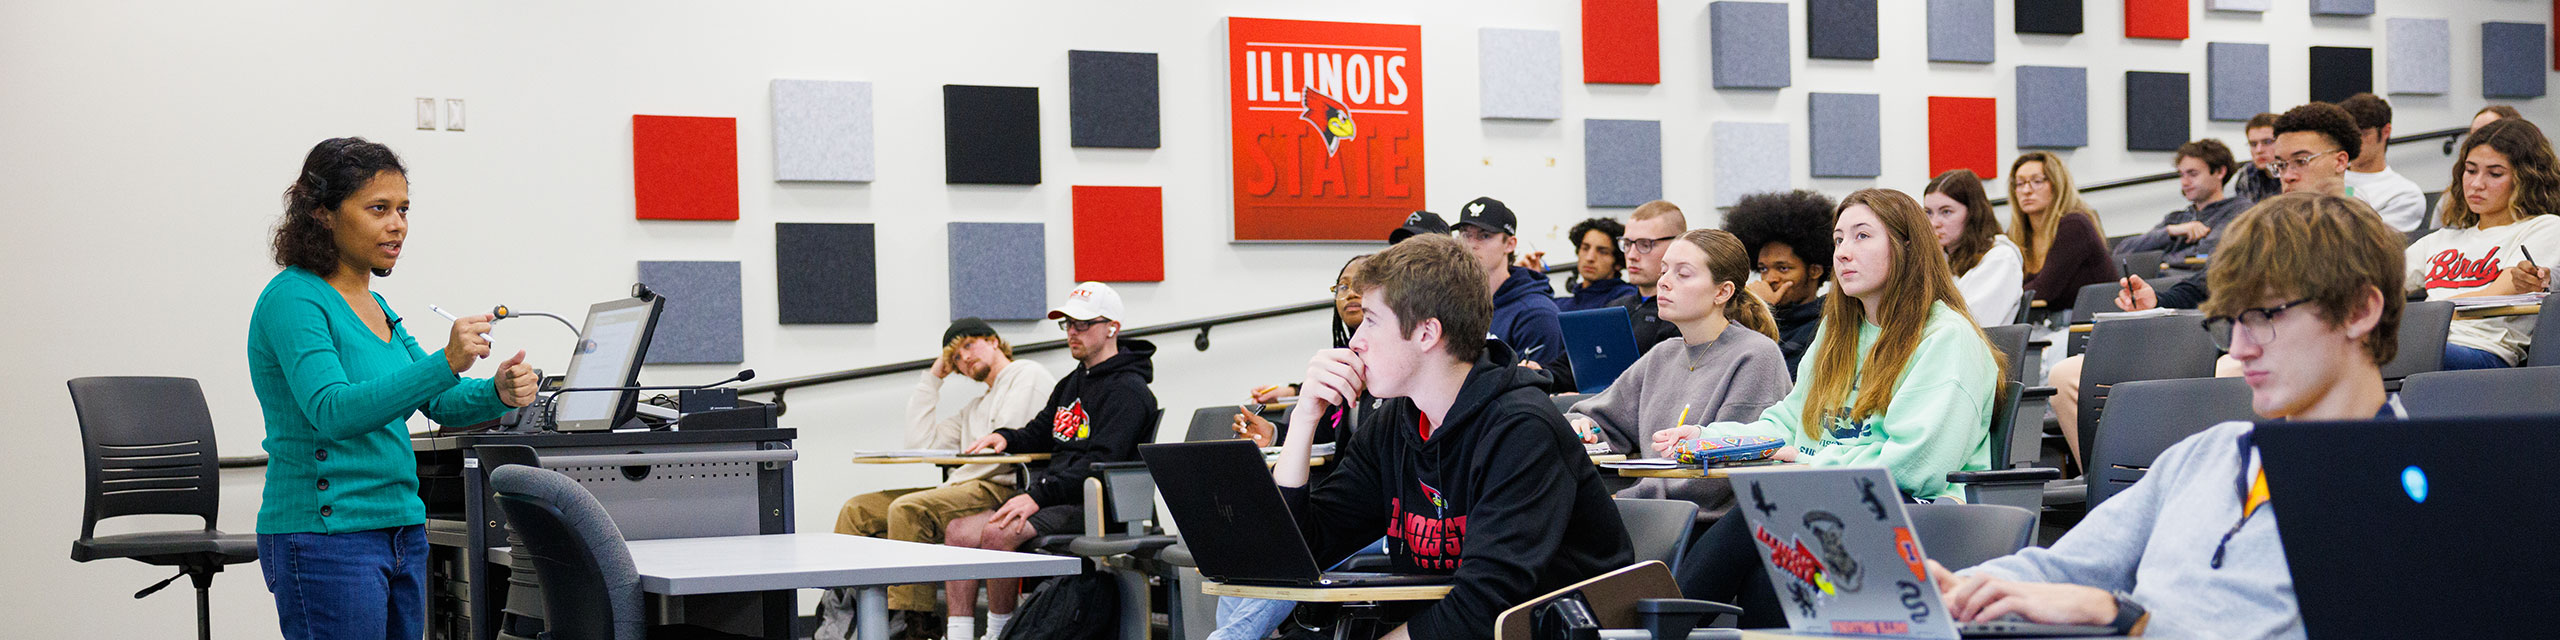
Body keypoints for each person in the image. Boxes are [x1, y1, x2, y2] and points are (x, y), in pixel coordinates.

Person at [1932, 191, 2407, 640]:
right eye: (2231, 323)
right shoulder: (2209, 454)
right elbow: (2060, 568)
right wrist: (1951, 590)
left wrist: (2125, 618)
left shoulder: (2410, 486)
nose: (2240, 350)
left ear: (2360, 311)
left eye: (2264, 316)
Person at [1660, 189, 2004, 627]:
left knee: (1762, 518)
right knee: (1767, 568)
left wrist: (1809, 462)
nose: (1844, 252)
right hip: (1832, 499)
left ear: (1907, 248)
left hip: (1921, 512)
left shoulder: (1946, 338)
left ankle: (1658, 622)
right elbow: (1789, 422)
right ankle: (1662, 621)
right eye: (1839, 239)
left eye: (1862, 236)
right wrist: (1712, 439)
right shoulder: (1838, 333)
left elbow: (1915, 463)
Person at [1271, 234, 1633, 640]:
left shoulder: (1522, 429)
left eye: (1371, 320)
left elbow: (1486, 606)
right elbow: (1300, 551)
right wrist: (1304, 418)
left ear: (1427, 334)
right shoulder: (1396, 421)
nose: (1355, 341)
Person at [249, 138, 539, 640]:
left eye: (403, 209)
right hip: (327, 536)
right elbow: (332, 411)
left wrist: (497, 391)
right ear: (323, 214)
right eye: (378, 208)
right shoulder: (294, 298)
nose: (397, 224)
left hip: (401, 529)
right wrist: (445, 360)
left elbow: (440, 401)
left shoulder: (377, 304)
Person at [2048, 102, 2366, 463]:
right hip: (2218, 342)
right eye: (2281, 164)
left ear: (2340, 161)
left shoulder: (2358, 227)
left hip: (2275, 351)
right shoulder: (2264, 224)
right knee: (2068, 375)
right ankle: (2107, 483)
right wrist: (2159, 299)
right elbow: (2211, 281)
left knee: (2232, 369)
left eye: (2301, 161)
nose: (2287, 175)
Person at [946, 282, 1159, 640]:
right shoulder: (1072, 383)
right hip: (1059, 495)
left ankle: (999, 633)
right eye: (1068, 324)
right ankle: (959, 634)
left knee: (998, 533)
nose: (1072, 333)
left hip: (1098, 502)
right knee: (958, 532)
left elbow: (1100, 463)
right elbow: (1041, 430)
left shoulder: (1130, 392)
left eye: (1083, 324)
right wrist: (1007, 437)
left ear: (1112, 328)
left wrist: (1037, 496)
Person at [821, 319, 1056, 639]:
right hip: (963, 486)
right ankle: (842, 613)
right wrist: (932, 379)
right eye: (956, 357)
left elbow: (1008, 443)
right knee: (857, 510)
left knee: (907, 509)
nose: (964, 358)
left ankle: (915, 623)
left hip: (1000, 486)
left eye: (969, 345)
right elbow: (919, 442)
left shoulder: (1026, 375)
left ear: (994, 341)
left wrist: (958, 469)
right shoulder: (975, 407)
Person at [1563, 228, 1792, 518]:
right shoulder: (1664, 353)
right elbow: (1603, 420)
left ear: (1723, 292)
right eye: (1664, 271)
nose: (1664, 283)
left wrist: (1624, 499)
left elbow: (1722, 475)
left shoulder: (1756, 356)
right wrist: (1583, 427)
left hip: (1709, 523)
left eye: (1682, 274)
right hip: (1651, 512)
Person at [2404, 117, 2560, 370]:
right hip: (2425, 341)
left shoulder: (2545, 227)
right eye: (2471, 170)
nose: (2477, 184)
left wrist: (2421, 323)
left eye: (2495, 173)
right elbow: (2382, 284)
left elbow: (2496, 293)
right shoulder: (2440, 239)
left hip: (2483, 352)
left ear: (2526, 178)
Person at [1240, 254, 1375, 445]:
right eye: (1343, 287)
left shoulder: (1394, 364)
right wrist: (1273, 434)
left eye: (1360, 285)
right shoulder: (1341, 361)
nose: (1351, 293)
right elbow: (1323, 436)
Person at [1452, 196, 1573, 388]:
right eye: (1466, 235)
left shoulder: (1536, 313)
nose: (1472, 244)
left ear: (1510, 244)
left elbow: (1537, 390)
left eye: (1485, 236)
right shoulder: (1456, 303)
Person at [1727, 189, 1838, 374]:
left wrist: (1760, 311)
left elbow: (1769, 376)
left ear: (1815, 271)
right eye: (1763, 268)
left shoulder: (1827, 323)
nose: (1770, 278)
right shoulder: (1745, 315)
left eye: (1783, 268)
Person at [2114, 139, 2252, 266]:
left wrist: (2159, 260)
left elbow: (2208, 256)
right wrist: (2170, 232)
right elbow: (2121, 252)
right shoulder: (2177, 219)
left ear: (2220, 172)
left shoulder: (2240, 212)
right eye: (2181, 175)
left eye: (2193, 174)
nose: (2184, 182)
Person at [2012, 151, 2113, 310]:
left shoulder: (2074, 226)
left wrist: (2003, 298)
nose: (2026, 190)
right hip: (2045, 324)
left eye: (2037, 181)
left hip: (2085, 324)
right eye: (2019, 183)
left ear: (2057, 184)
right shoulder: (2016, 234)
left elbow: (2044, 289)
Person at [1925, 169, 2026, 327]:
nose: (1934, 223)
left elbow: (1968, 325)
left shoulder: (2000, 257)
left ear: (1973, 213)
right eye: (1928, 213)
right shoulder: (1945, 255)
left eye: (1946, 212)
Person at [2337, 93, 2429, 232]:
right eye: (2348, 134)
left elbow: (2374, 242)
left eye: (2363, 133)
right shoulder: (2328, 178)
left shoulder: (2405, 194)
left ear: (2386, 131)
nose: (2353, 141)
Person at [1615, 200, 1691, 347]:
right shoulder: (1614, 308)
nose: (1631, 255)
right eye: (1627, 244)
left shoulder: (1687, 317)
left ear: (1677, 245)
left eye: (1645, 245)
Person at [1556, 217, 1642, 311]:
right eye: (1585, 248)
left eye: (1602, 252)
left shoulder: (1626, 299)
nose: (1590, 258)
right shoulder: (1561, 304)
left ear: (1618, 262)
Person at [2231, 113, 2285, 204]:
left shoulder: (2294, 174)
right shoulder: (2247, 175)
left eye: (2267, 142)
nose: (2259, 150)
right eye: (2253, 144)